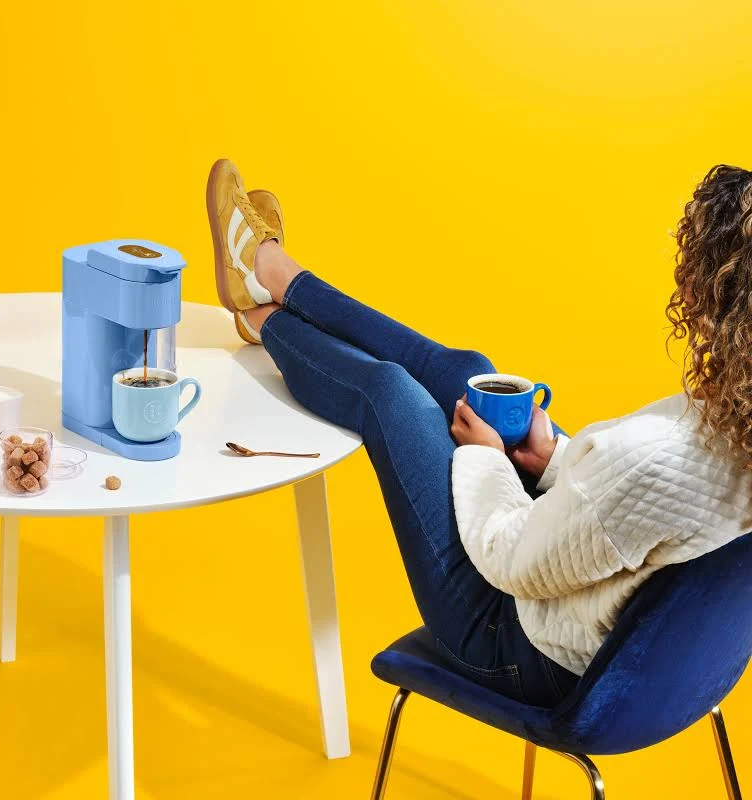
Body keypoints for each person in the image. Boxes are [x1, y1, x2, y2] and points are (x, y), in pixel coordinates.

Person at [206, 160, 752, 707]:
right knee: (471, 372)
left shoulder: (655, 457)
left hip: (515, 644)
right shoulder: (737, 418)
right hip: (625, 645)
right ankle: (275, 281)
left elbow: (513, 559)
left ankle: (263, 312)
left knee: (391, 393)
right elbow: (631, 522)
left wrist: (488, 458)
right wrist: (553, 460)